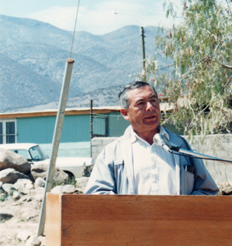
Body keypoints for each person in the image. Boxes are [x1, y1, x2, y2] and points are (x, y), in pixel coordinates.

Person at [85, 81, 219, 195]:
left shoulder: (181, 146)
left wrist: (183, 210)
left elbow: (208, 190)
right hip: (133, 225)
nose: (150, 107)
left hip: (176, 224)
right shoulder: (112, 153)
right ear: (125, 113)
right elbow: (96, 196)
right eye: (141, 103)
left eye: (154, 101)